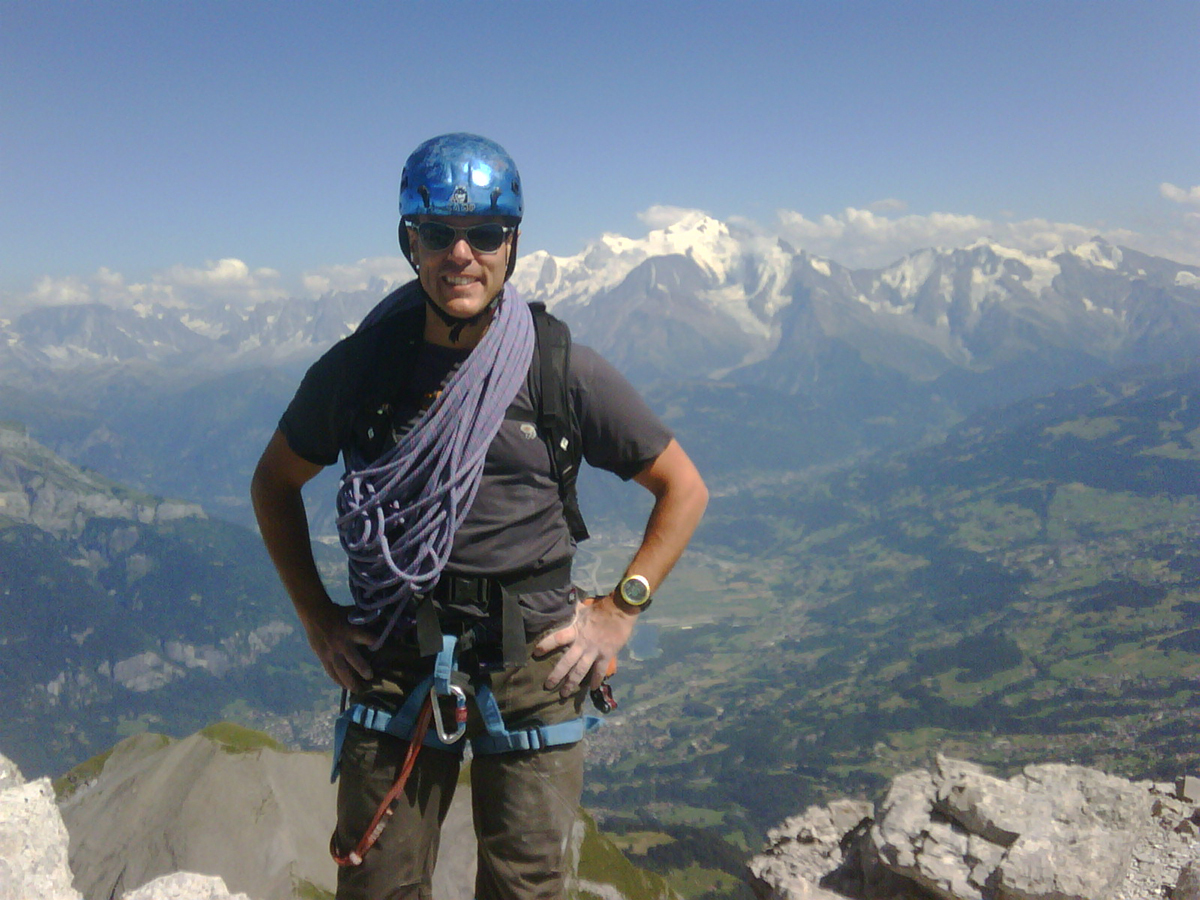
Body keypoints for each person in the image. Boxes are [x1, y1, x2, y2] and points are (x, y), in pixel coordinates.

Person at [250, 132, 707, 900]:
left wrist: (621, 610)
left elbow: (683, 487)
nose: (461, 254)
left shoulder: (559, 369)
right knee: (374, 883)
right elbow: (273, 482)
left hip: (534, 655)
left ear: (513, 243)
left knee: (524, 887)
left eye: (485, 234)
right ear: (410, 244)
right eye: (437, 234)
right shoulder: (360, 371)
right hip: (396, 649)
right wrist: (317, 618)